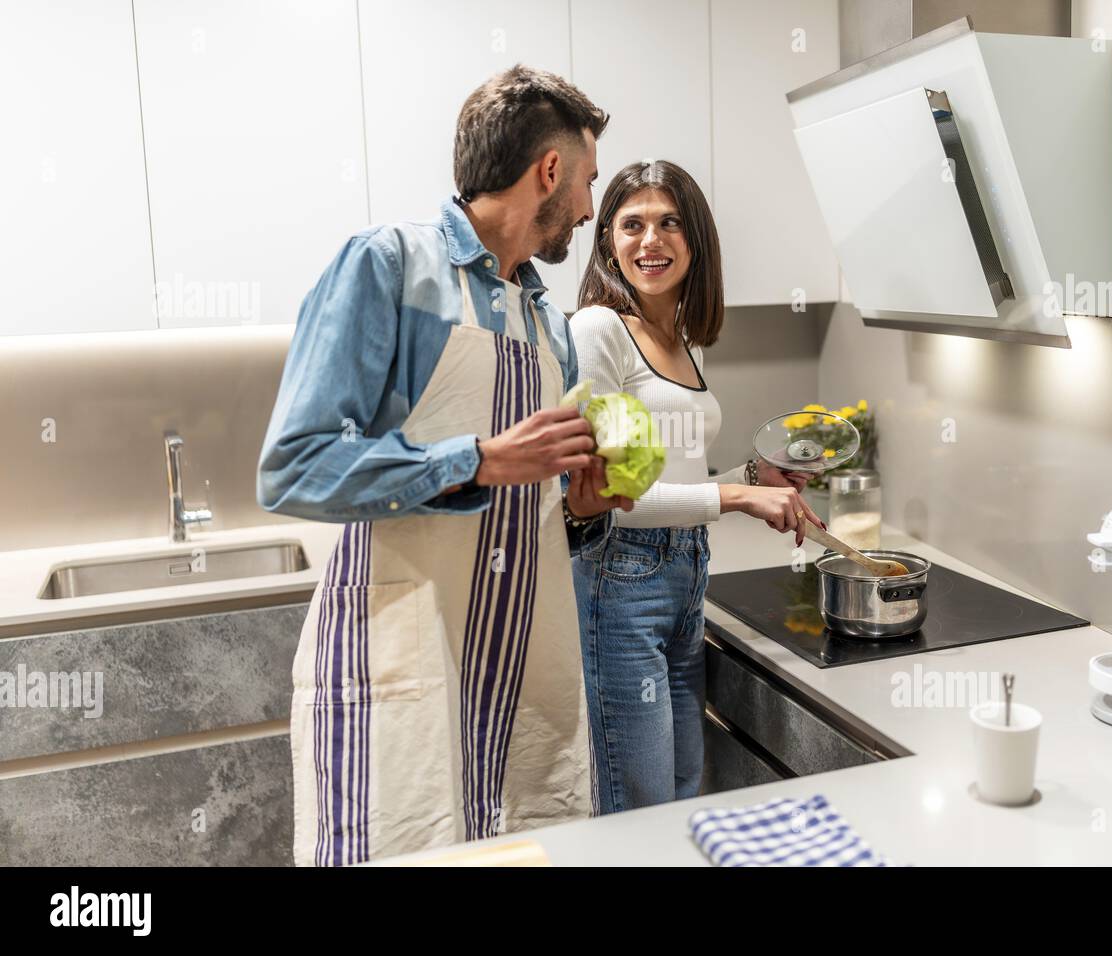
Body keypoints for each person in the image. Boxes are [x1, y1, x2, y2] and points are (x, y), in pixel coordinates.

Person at [257, 65, 630, 866]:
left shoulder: (547, 320)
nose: (592, 210)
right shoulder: (388, 266)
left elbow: (534, 508)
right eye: (589, 181)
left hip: (520, 667)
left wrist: (583, 508)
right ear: (551, 171)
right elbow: (293, 466)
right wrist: (476, 460)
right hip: (408, 661)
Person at [568, 160, 824, 814]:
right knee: (641, 804)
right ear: (607, 243)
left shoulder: (684, 337)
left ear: (695, 240)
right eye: (633, 225)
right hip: (621, 582)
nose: (651, 240)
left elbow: (670, 474)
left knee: (682, 790)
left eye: (669, 223)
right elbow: (606, 500)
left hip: (687, 573)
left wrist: (749, 476)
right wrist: (737, 499)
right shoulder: (599, 330)